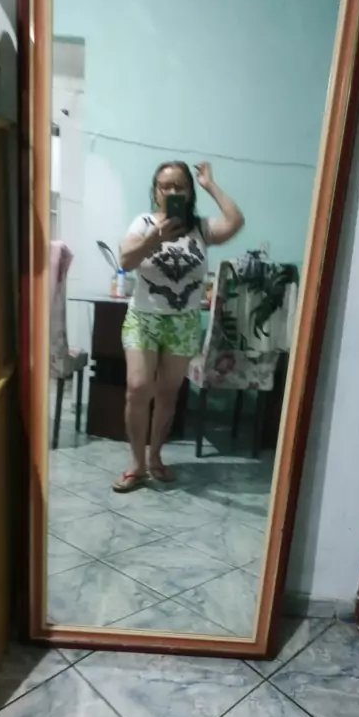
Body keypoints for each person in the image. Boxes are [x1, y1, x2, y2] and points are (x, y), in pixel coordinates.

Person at [114, 160, 244, 492]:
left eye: (179, 186)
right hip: (144, 318)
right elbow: (126, 260)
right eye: (165, 186)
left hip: (183, 321)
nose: (172, 191)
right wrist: (154, 239)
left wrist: (210, 184)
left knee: (168, 393)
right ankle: (136, 464)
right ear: (155, 191)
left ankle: (155, 457)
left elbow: (236, 221)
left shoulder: (201, 228)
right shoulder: (143, 223)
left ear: (189, 192)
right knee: (138, 387)